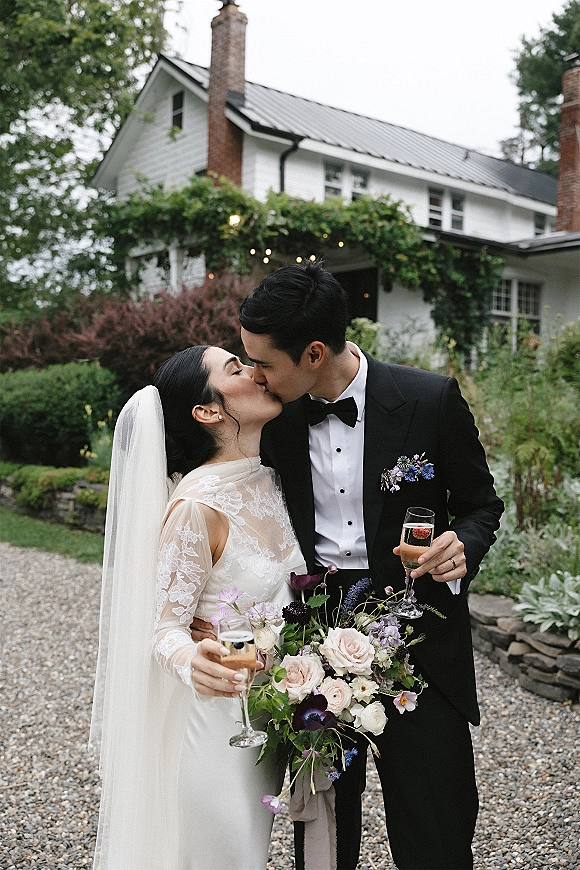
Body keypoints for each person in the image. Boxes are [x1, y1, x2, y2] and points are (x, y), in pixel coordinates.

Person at [233, 261, 504, 870]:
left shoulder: (430, 400)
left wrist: (462, 544)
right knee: (324, 829)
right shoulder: (271, 416)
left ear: (314, 353)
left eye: (264, 363)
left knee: (435, 823)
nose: (254, 375)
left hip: (421, 637)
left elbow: (482, 504)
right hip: (313, 638)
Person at [89, 345, 306, 870]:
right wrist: (192, 660)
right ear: (208, 411)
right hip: (217, 719)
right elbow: (161, 625)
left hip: (272, 711)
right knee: (225, 854)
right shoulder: (195, 506)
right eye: (235, 369)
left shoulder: (273, 480)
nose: (255, 371)